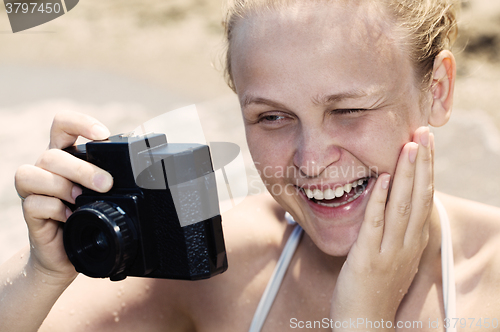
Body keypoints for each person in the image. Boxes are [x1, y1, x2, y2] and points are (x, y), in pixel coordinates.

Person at [2, 0, 500, 331]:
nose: (310, 160)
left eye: (348, 110)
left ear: (437, 90)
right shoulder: (222, 266)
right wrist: (41, 274)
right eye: (273, 117)